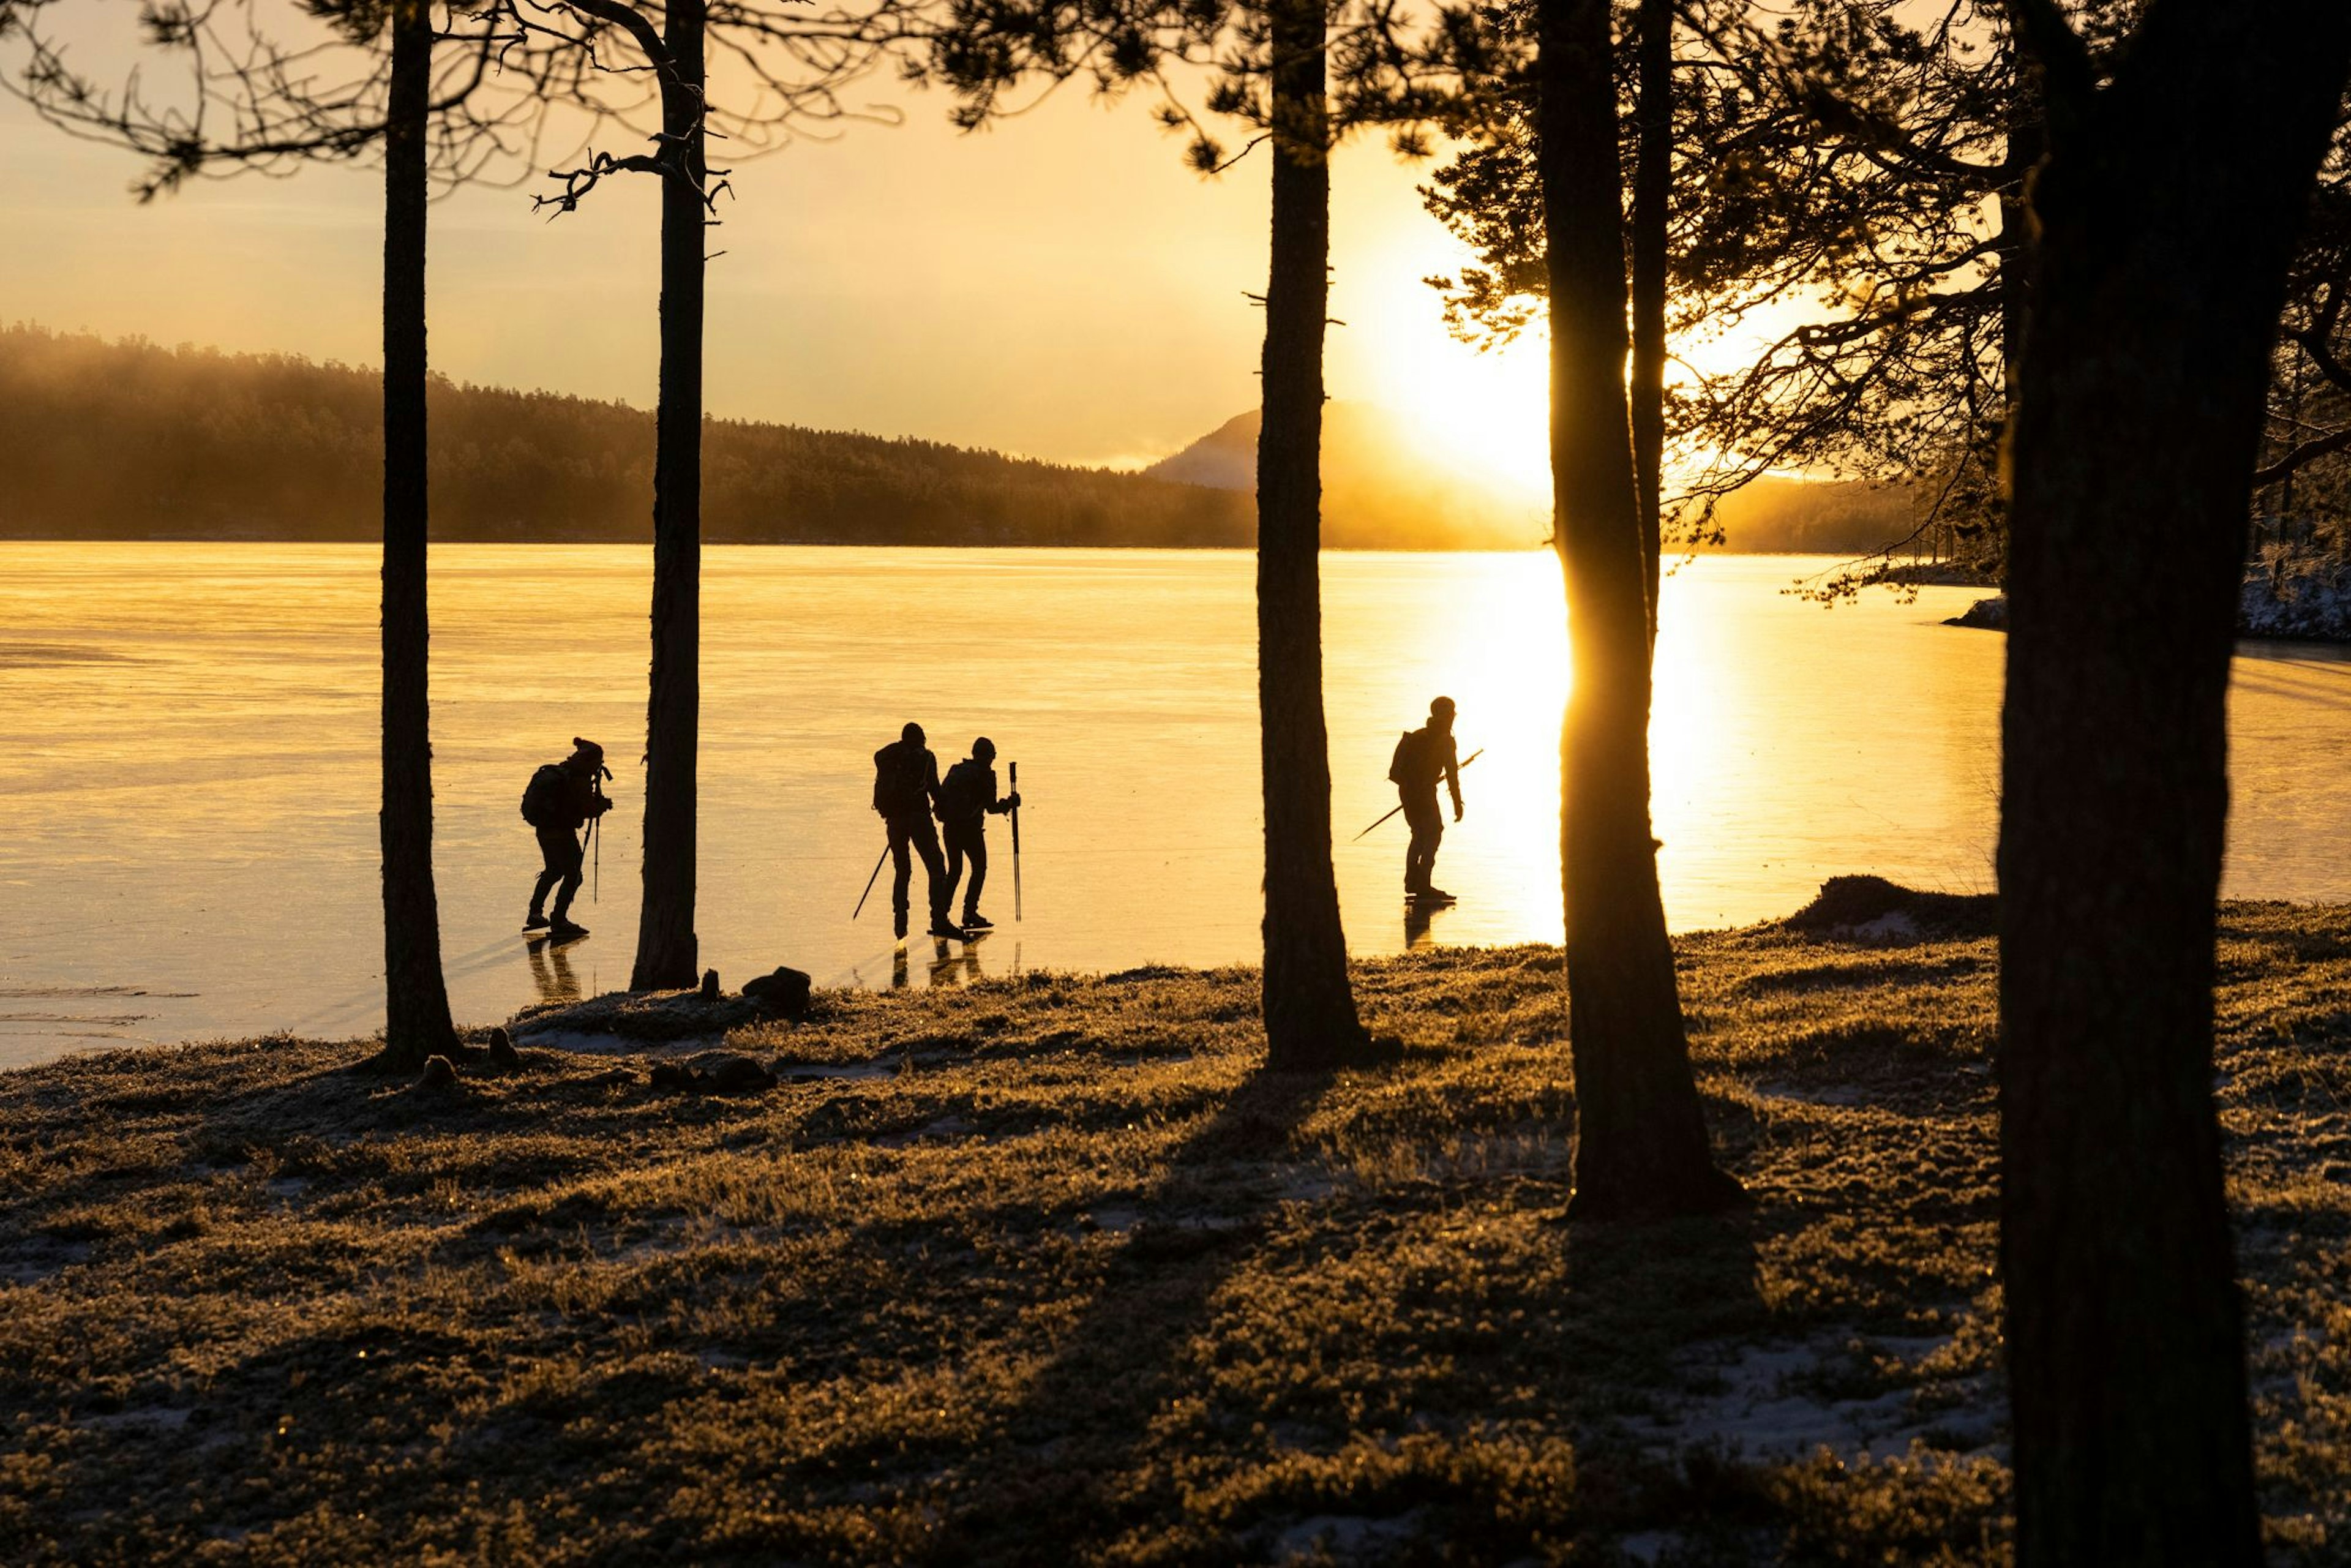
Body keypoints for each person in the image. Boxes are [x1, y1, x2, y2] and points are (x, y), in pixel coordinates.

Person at [873, 721, 962, 939]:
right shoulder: (926, 759)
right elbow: (935, 792)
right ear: (921, 739)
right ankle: (939, 919)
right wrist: (945, 812)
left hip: (894, 821)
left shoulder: (889, 757)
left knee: (902, 870)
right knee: (937, 867)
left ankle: (900, 921)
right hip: (918, 819)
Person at [520, 737, 613, 940]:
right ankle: (559, 919)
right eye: (599, 761)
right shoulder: (578, 779)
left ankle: (535, 914)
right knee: (574, 876)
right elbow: (587, 809)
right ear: (590, 761)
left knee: (553, 871)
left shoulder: (564, 773)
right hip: (562, 833)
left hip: (544, 830)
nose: (600, 766)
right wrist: (603, 806)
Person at [937, 737, 1021, 930]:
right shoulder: (986, 775)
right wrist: (1010, 803)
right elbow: (991, 808)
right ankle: (969, 912)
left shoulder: (956, 770)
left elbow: (942, 797)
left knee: (955, 871)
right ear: (989, 757)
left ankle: (942, 914)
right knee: (979, 868)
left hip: (950, 828)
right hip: (970, 830)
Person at [1389, 696, 1464, 902]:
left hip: (1407, 792)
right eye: (1452, 713)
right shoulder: (1445, 740)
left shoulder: (1417, 736)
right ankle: (1423, 885)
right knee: (1433, 833)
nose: (1454, 717)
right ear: (1446, 715)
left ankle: (1412, 882)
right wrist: (1458, 804)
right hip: (1423, 794)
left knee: (1419, 834)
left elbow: (1399, 772)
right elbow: (1452, 774)